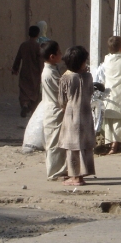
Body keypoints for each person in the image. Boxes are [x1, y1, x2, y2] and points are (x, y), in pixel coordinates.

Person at [58, 45, 96, 187]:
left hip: (71, 115)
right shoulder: (88, 77)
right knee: (84, 146)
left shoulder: (66, 78)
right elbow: (91, 92)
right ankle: (82, 174)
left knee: (73, 148)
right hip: (86, 115)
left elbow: (62, 101)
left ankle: (76, 178)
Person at [40, 40, 67, 181]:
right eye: (59, 52)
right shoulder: (49, 74)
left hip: (55, 110)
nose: (61, 55)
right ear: (52, 56)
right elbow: (61, 93)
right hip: (54, 111)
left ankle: (61, 170)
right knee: (54, 144)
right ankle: (55, 173)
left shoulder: (53, 70)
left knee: (58, 142)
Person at [102, 36, 121, 155]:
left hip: (108, 92)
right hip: (119, 91)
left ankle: (109, 142)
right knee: (118, 119)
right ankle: (115, 144)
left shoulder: (107, 59)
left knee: (109, 119)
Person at [11, 25, 43, 117]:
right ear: (37, 34)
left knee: (24, 90)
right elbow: (40, 61)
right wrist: (42, 72)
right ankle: (32, 108)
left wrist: (15, 69)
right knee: (34, 91)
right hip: (35, 73)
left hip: (25, 71)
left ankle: (25, 104)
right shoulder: (38, 47)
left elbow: (18, 58)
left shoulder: (23, 45)